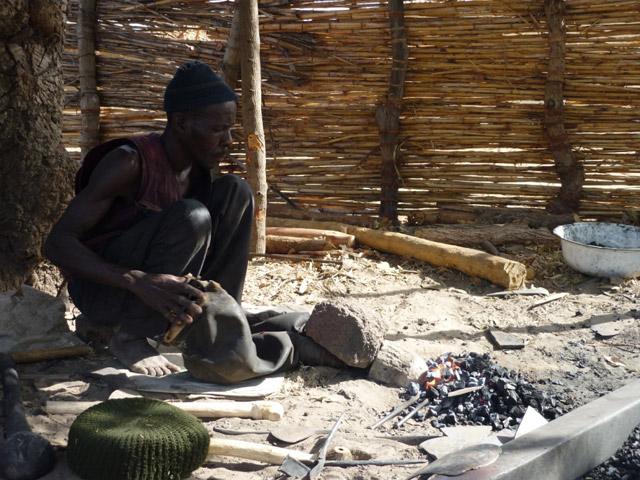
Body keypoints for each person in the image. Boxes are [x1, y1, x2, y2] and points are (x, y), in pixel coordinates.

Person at [45, 60, 340, 382]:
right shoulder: (129, 162)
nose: (228, 140)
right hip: (105, 293)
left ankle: (224, 314)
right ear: (181, 122)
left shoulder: (196, 170)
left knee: (236, 191)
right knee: (192, 216)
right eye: (217, 130)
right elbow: (57, 244)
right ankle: (130, 336)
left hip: (159, 290)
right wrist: (138, 280)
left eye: (230, 129)